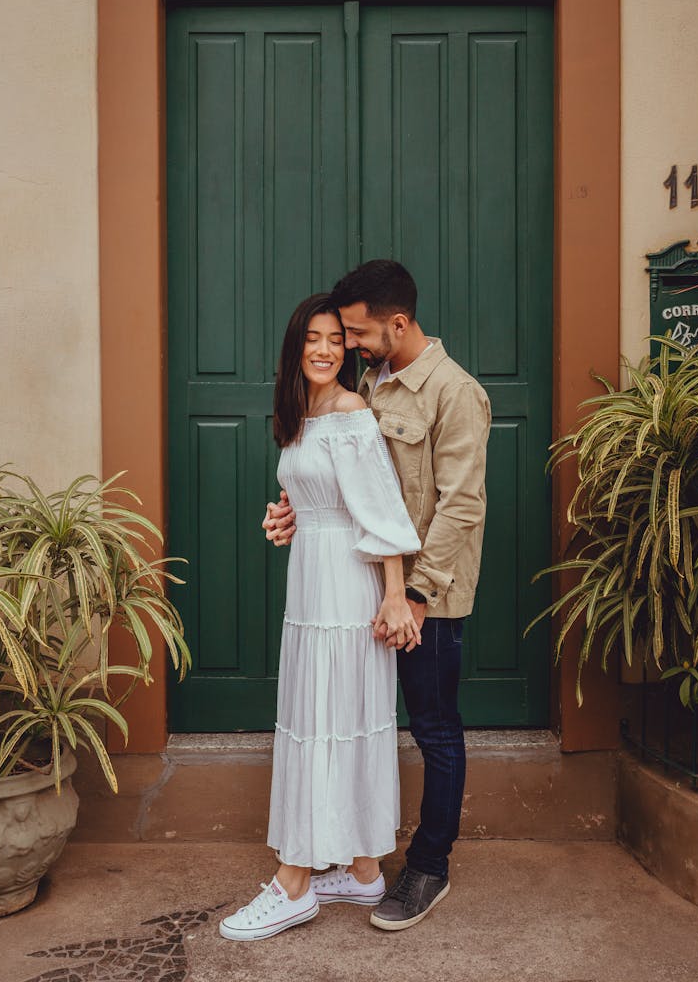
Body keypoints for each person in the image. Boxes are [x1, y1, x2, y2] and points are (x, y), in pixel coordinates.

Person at [264, 261, 491, 932]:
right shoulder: (370, 383)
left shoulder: (455, 393)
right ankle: (358, 867)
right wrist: (298, 511)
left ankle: (428, 864)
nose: (349, 343)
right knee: (357, 720)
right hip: (363, 587)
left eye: (358, 332)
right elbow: (356, 487)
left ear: (397, 323)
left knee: (434, 727)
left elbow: (461, 507)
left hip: (427, 593)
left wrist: (414, 595)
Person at [219, 292, 421, 942]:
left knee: (328, 718)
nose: (326, 348)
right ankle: (363, 870)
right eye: (314, 337)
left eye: (336, 338)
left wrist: (394, 596)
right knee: (331, 716)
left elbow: (382, 510)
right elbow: (317, 497)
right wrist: (287, 519)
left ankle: (295, 882)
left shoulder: (352, 411)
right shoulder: (301, 414)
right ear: (296, 345)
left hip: (347, 589)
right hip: (311, 582)